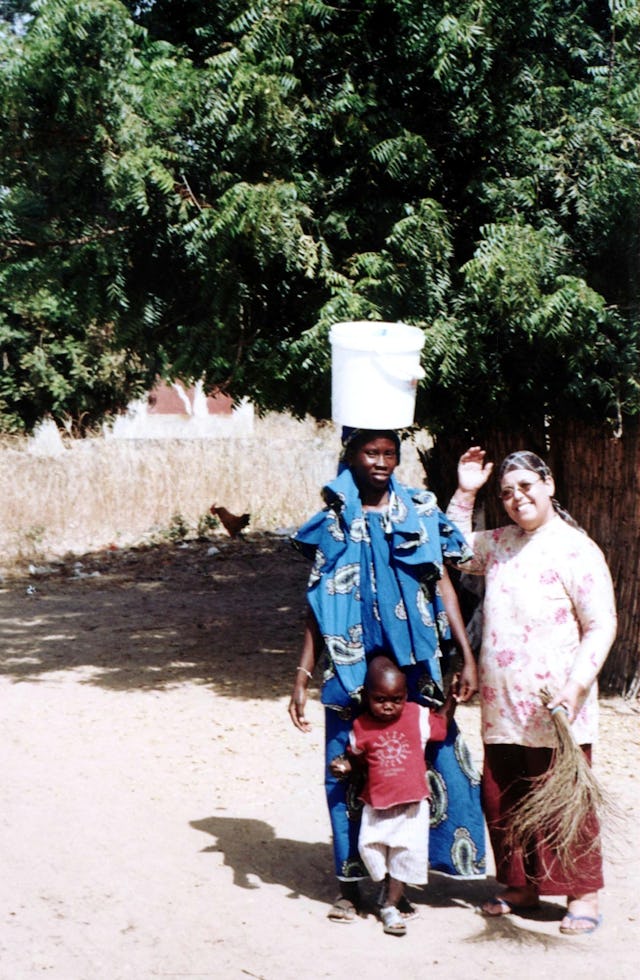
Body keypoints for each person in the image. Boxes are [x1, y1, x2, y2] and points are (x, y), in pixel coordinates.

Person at [288, 429, 485, 924]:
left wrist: (465, 656)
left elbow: (443, 584)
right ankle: (349, 886)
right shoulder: (333, 520)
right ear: (352, 456)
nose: (380, 461)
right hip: (349, 667)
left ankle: (399, 881)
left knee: (427, 763)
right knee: (344, 769)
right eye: (370, 452)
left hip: (414, 669)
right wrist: (302, 675)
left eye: (389, 453)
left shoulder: (421, 510)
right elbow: (317, 603)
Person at [446, 446, 617, 935]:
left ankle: (583, 893)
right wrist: (465, 491)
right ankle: (521, 886)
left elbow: (601, 624)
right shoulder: (499, 543)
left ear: (549, 486)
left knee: (564, 800)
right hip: (503, 704)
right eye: (506, 493)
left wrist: (576, 685)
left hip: (558, 705)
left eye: (526, 486)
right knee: (505, 797)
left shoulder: (577, 549)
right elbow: (450, 547)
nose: (517, 498)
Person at [329, 655, 457, 936]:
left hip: (412, 805)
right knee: (369, 849)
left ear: (406, 695)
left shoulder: (417, 715)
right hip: (377, 804)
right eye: (380, 699)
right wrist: (345, 766)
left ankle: (390, 906)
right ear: (367, 697)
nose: (389, 706)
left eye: (396, 699)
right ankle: (385, 886)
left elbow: (441, 725)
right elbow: (358, 759)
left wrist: (452, 698)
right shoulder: (362, 726)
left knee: (404, 854)